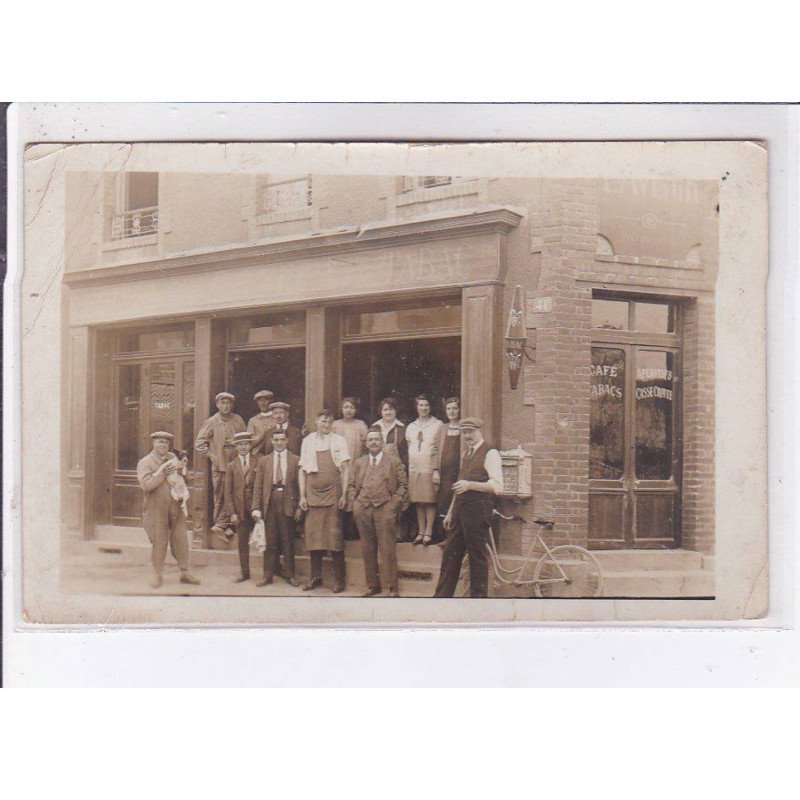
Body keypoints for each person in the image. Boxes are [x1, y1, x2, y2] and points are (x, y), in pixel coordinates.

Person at [433, 417, 503, 598]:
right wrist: (450, 512)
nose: (467, 436)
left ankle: (478, 601)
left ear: (480, 431)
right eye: (464, 432)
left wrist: (470, 485)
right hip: (459, 512)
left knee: (476, 559)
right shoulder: (466, 453)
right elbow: (459, 485)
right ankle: (441, 599)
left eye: (471, 431)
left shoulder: (490, 453)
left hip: (478, 512)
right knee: (450, 556)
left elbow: (497, 486)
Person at [348, 427, 408, 597]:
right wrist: (356, 502)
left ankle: (392, 587)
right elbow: (351, 485)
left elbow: (403, 485)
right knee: (367, 548)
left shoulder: (393, 462)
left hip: (385, 508)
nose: (373, 442)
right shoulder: (359, 462)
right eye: (370, 440)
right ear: (366, 443)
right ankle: (373, 585)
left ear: (382, 443)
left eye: (376, 439)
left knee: (387, 548)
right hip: (364, 508)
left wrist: (393, 503)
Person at [136, 431, 200, 589]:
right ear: (153, 443)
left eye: (166, 442)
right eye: (160, 442)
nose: (163, 445)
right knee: (160, 540)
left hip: (176, 504)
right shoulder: (145, 462)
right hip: (156, 507)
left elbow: (184, 477)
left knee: (181, 539)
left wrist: (184, 473)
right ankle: (157, 575)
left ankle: (185, 572)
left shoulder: (173, 458)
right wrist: (162, 474)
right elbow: (146, 485)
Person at [298, 409, 351, 593]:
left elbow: (345, 469)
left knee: (334, 538)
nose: (326, 425)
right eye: (323, 421)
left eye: (329, 422)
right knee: (314, 538)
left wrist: (344, 494)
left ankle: (339, 580)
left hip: (332, 495)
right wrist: (302, 496)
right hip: (313, 494)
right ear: (316, 421)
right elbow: (303, 471)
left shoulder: (339, 441)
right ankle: (316, 577)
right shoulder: (308, 441)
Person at [252, 428, 302, 587]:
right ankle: (268, 576)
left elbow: (301, 486)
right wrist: (256, 507)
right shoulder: (264, 461)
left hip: (288, 501)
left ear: (287, 440)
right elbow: (258, 486)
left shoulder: (295, 460)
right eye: (276, 440)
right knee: (270, 540)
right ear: (272, 441)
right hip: (270, 501)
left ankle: (290, 574)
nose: (279, 443)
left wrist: (300, 506)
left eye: (282, 439)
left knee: (288, 540)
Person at [195, 391, 246, 535]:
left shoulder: (238, 420)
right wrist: (212, 455)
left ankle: (230, 525)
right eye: (222, 403)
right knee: (221, 495)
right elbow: (199, 443)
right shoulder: (212, 421)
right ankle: (219, 525)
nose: (225, 406)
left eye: (228, 403)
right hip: (220, 467)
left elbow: (245, 439)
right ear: (217, 405)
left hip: (237, 464)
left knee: (236, 494)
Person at [405, 394, 444, 546]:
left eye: (426, 405)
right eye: (421, 405)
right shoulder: (411, 426)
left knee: (429, 500)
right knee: (418, 501)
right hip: (415, 468)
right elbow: (410, 447)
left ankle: (429, 531)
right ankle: (421, 531)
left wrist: (436, 469)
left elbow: (439, 448)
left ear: (430, 407)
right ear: (416, 407)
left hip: (430, 467)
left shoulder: (437, 424)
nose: (424, 408)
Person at [223, 431, 258, 583]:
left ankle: (271, 571)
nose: (243, 447)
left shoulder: (259, 461)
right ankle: (245, 573)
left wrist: (260, 508)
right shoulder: (231, 466)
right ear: (236, 448)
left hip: (257, 508)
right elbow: (228, 492)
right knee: (242, 542)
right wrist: (232, 513)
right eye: (239, 445)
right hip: (240, 510)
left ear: (250, 445)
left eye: (246, 444)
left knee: (268, 540)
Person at [332, 396, 369, 541]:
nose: (349, 410)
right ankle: (339, 530)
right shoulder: (335, 425)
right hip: (339, 466)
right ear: (341, 409)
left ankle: (353, 530)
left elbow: (367, 445)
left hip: (355, 465)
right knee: (340, 495)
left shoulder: (360, 425)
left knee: (354, 496)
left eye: (352, 407)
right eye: (346, 407)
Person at [433, 397, 462, 543]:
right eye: (449, 409)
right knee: (444, 502)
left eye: (454, 408)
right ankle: (444, 537)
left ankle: (454, 538)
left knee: (455, 501)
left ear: (459, 410)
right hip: (443, 474)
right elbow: (434, 449)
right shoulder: (442, 428)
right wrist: (435, 470)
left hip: (457, 472)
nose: (451, 411)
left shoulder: (463, 428)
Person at [247, 389, 276, 456]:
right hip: (258, 454)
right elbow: (249, 442)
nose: (263, 403)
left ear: (271, 401)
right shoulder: (253, 420)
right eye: (260, 401)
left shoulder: (277, 418)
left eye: (266, 400)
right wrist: (262, 436)